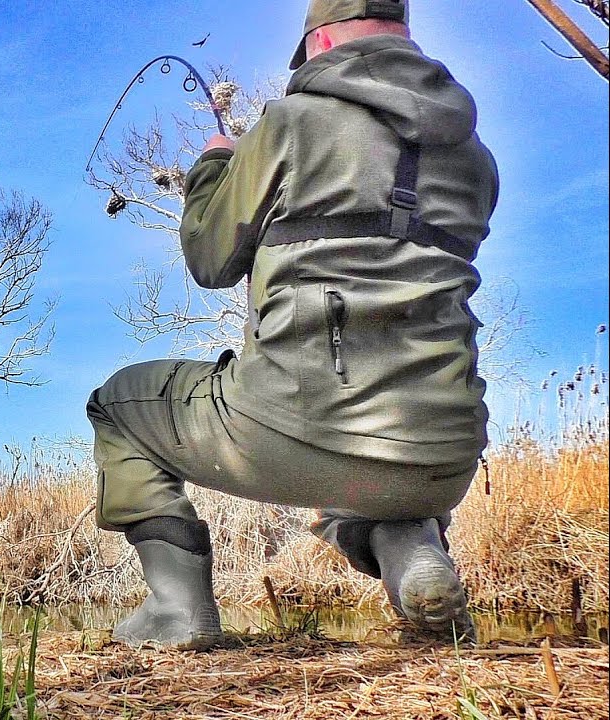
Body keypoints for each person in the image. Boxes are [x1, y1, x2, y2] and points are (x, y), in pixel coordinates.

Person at [87, 0, 498, 648]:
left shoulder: (288, 126)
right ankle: (410, 548)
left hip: (302, 428)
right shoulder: (475, 159)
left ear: (322, 41)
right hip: (444, 455)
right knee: (371, 466)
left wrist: (213, 167)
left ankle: (176, 614)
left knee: (118, 406)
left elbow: (209, 260)